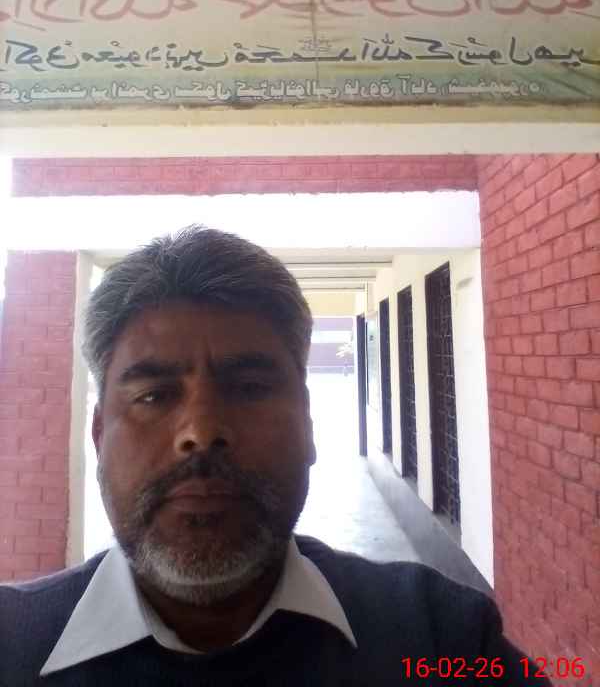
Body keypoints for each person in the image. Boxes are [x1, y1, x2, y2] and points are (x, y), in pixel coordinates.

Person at [0, 226, 549, 686]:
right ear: (99, 435)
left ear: (308, 423)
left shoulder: (440, 638)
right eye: (153, 396)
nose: (201, 432)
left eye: (249, 388)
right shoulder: (11, 645)